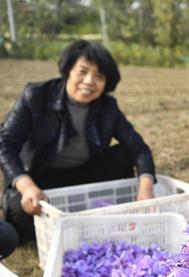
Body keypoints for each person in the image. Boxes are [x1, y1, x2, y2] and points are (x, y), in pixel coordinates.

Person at [0, 40, 156, 244]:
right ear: (69, 70)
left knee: (122, 155)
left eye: (99, 76)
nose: (89, 81)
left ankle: (95, 217)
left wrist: (146, 190)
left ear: (106, 83)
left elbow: (139, 149)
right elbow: (5, 143)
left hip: (83, 174)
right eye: (82, 71)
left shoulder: (107, 107)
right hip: (40, 179)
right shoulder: (36, 96)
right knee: (19, 210)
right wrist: (26, 185)